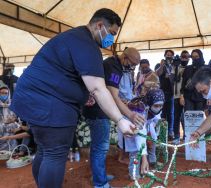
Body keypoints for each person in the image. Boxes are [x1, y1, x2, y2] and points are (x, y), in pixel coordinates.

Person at [9, 8, 136, 188]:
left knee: (46, 150)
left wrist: (82, 96)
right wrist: (120, 119)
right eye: (112, 33)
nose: (111, 39)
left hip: (32, 99)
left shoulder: (73, 37)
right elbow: (99, 89)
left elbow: (67, 75)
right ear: (99, 25)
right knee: (55, 153)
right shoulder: (88, 45)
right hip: (47, 104)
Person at [82, 47, 143, 188]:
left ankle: (98, 176)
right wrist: (130, 114)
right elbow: (113, 96)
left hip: (97, 109)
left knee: (98, 145)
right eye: (132, 64)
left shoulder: (114, 64)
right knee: (101, 147)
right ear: (124, 57)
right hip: (99, 110)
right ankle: (101, 183)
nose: (133, 67)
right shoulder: (114, 66)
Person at [155, 50, 175, 139]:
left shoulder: (175, 65)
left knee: (170, 113)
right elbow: (156, 74)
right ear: (164, 55)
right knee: (161, 113)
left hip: (171, 93)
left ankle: (170, 132)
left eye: (171, 55)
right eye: (167, 55)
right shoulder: (159, 65)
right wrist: (162, 65)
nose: (169, 57)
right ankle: (161, 132)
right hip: (161, 93)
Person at [172, 50, 189, 144]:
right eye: (183, 56)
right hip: (176, 95)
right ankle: (176, 136)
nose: (184, 59)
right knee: (176, 117)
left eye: (186, 57)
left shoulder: (190, 68)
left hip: (187, 96)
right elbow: (171, 79)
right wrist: (175, 66)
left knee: (187, 117)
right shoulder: (175, 67)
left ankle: (187, 136)